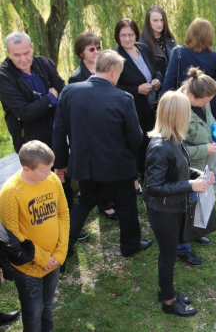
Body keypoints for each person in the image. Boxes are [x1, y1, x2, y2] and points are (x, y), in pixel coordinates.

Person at [52, 50, 152, 257]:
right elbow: (135, 137)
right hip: (118, 166)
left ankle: (62, 248)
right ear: (114, 71)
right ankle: (129, 246)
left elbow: (59, 130)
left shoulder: (69, 92)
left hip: (84, 163)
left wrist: (61, 162)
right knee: (126, 206)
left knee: (84, 202)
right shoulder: (123, 98)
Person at [0, 31, 87, 241]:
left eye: (26, 53)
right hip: (29, 139)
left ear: (32, 48)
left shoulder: (44, 64)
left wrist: (46, 102)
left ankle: (66, 225)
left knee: (61, 174)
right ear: (8, 53)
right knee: (38, 179)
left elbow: (63, 90)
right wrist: (50, 97)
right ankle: (43, 228)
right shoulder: (4, 76)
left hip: (54, 131)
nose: (23, 59)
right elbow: (24, 112)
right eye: (16, 55)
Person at [143, 91, 215, 317]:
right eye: (187, 112)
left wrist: (198, 175)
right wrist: (190, 186)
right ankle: (168, 300)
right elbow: (153, 187)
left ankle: (165, 289)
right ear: (176, 115)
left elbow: (180, 169)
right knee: (167, 255)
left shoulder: (174, 138)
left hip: (172, 206)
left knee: (169, 252)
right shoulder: (159, 147)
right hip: (162, 210)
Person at [0, 140, 69, 331]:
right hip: (29, 268)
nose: (50, 173)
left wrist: (60, 252)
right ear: (27, 168)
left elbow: (63, 213)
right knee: (33, 313)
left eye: (50, 168)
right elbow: (12, 236)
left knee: (48, 306)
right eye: (44, 170)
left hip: (53, 261)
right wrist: (42, 258)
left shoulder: (52, 180)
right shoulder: (11, 192)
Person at [67, 32, 118, 220]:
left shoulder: (104, 67)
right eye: (91, 49)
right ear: (81, 53)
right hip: (89, 130)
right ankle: (102, 203)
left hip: (106, 127)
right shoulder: (76, 77)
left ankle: (107, 200)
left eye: (98, 47)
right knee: (95, 171)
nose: (96, 51)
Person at [176, 67, 216, 264]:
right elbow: (178, 151)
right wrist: (206, 149)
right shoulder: (178, 110)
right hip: (186, 169)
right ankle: (181, 247)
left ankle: (194, 232)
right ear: (191, 95)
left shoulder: (202, 102)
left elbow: (211, 123)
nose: (208, 103)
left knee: (199, 202)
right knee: (184, 208)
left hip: (203, 165)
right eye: (205, 100)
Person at [114, 18, 162, 195]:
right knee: (136, 144)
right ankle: (135, 181)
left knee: (151, 142)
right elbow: (113, 86)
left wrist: (157, 79)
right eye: (123, 35)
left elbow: (156, 69)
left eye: (130, 35)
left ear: (136, 34)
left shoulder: (143, 48)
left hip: (151, 106)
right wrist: (136, 90)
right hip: (133, 110)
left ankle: (150, 174)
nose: (127, 39)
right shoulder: (116, 56)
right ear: (117, 37)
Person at [161, 18, 216, 123]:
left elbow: (169, 82)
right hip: (210, 104)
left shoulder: (178, 52)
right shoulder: (215, 56)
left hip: (185, 104)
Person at [139, 5, 177, 78]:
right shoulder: (142, 43)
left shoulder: (169, 39)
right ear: (148, 22)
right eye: (155, 20)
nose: (159, 24)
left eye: (161, 20)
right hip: (156, 85)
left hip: (172, 82)